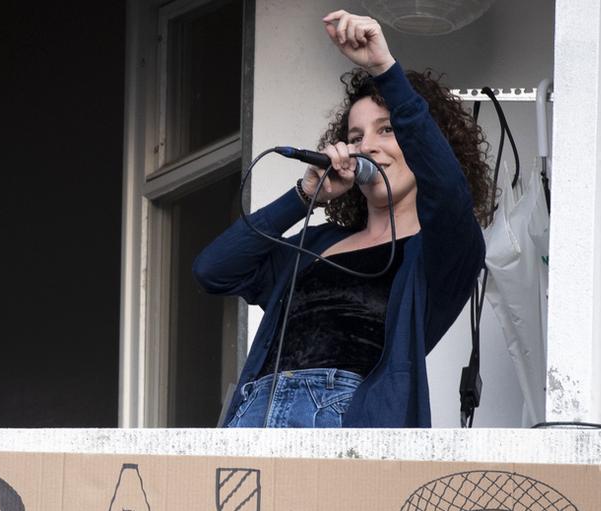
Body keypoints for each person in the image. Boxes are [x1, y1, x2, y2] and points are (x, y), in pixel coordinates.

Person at [192, 9, 493, 429]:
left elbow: (447, 194)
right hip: (256, 409)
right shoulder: (318, 244)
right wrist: (303, 196)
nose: (367, 146)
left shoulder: (441, 252)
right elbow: (213, 270)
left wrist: (384, 69)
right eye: (355, 137)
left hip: (343, 413)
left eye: (386, 130)